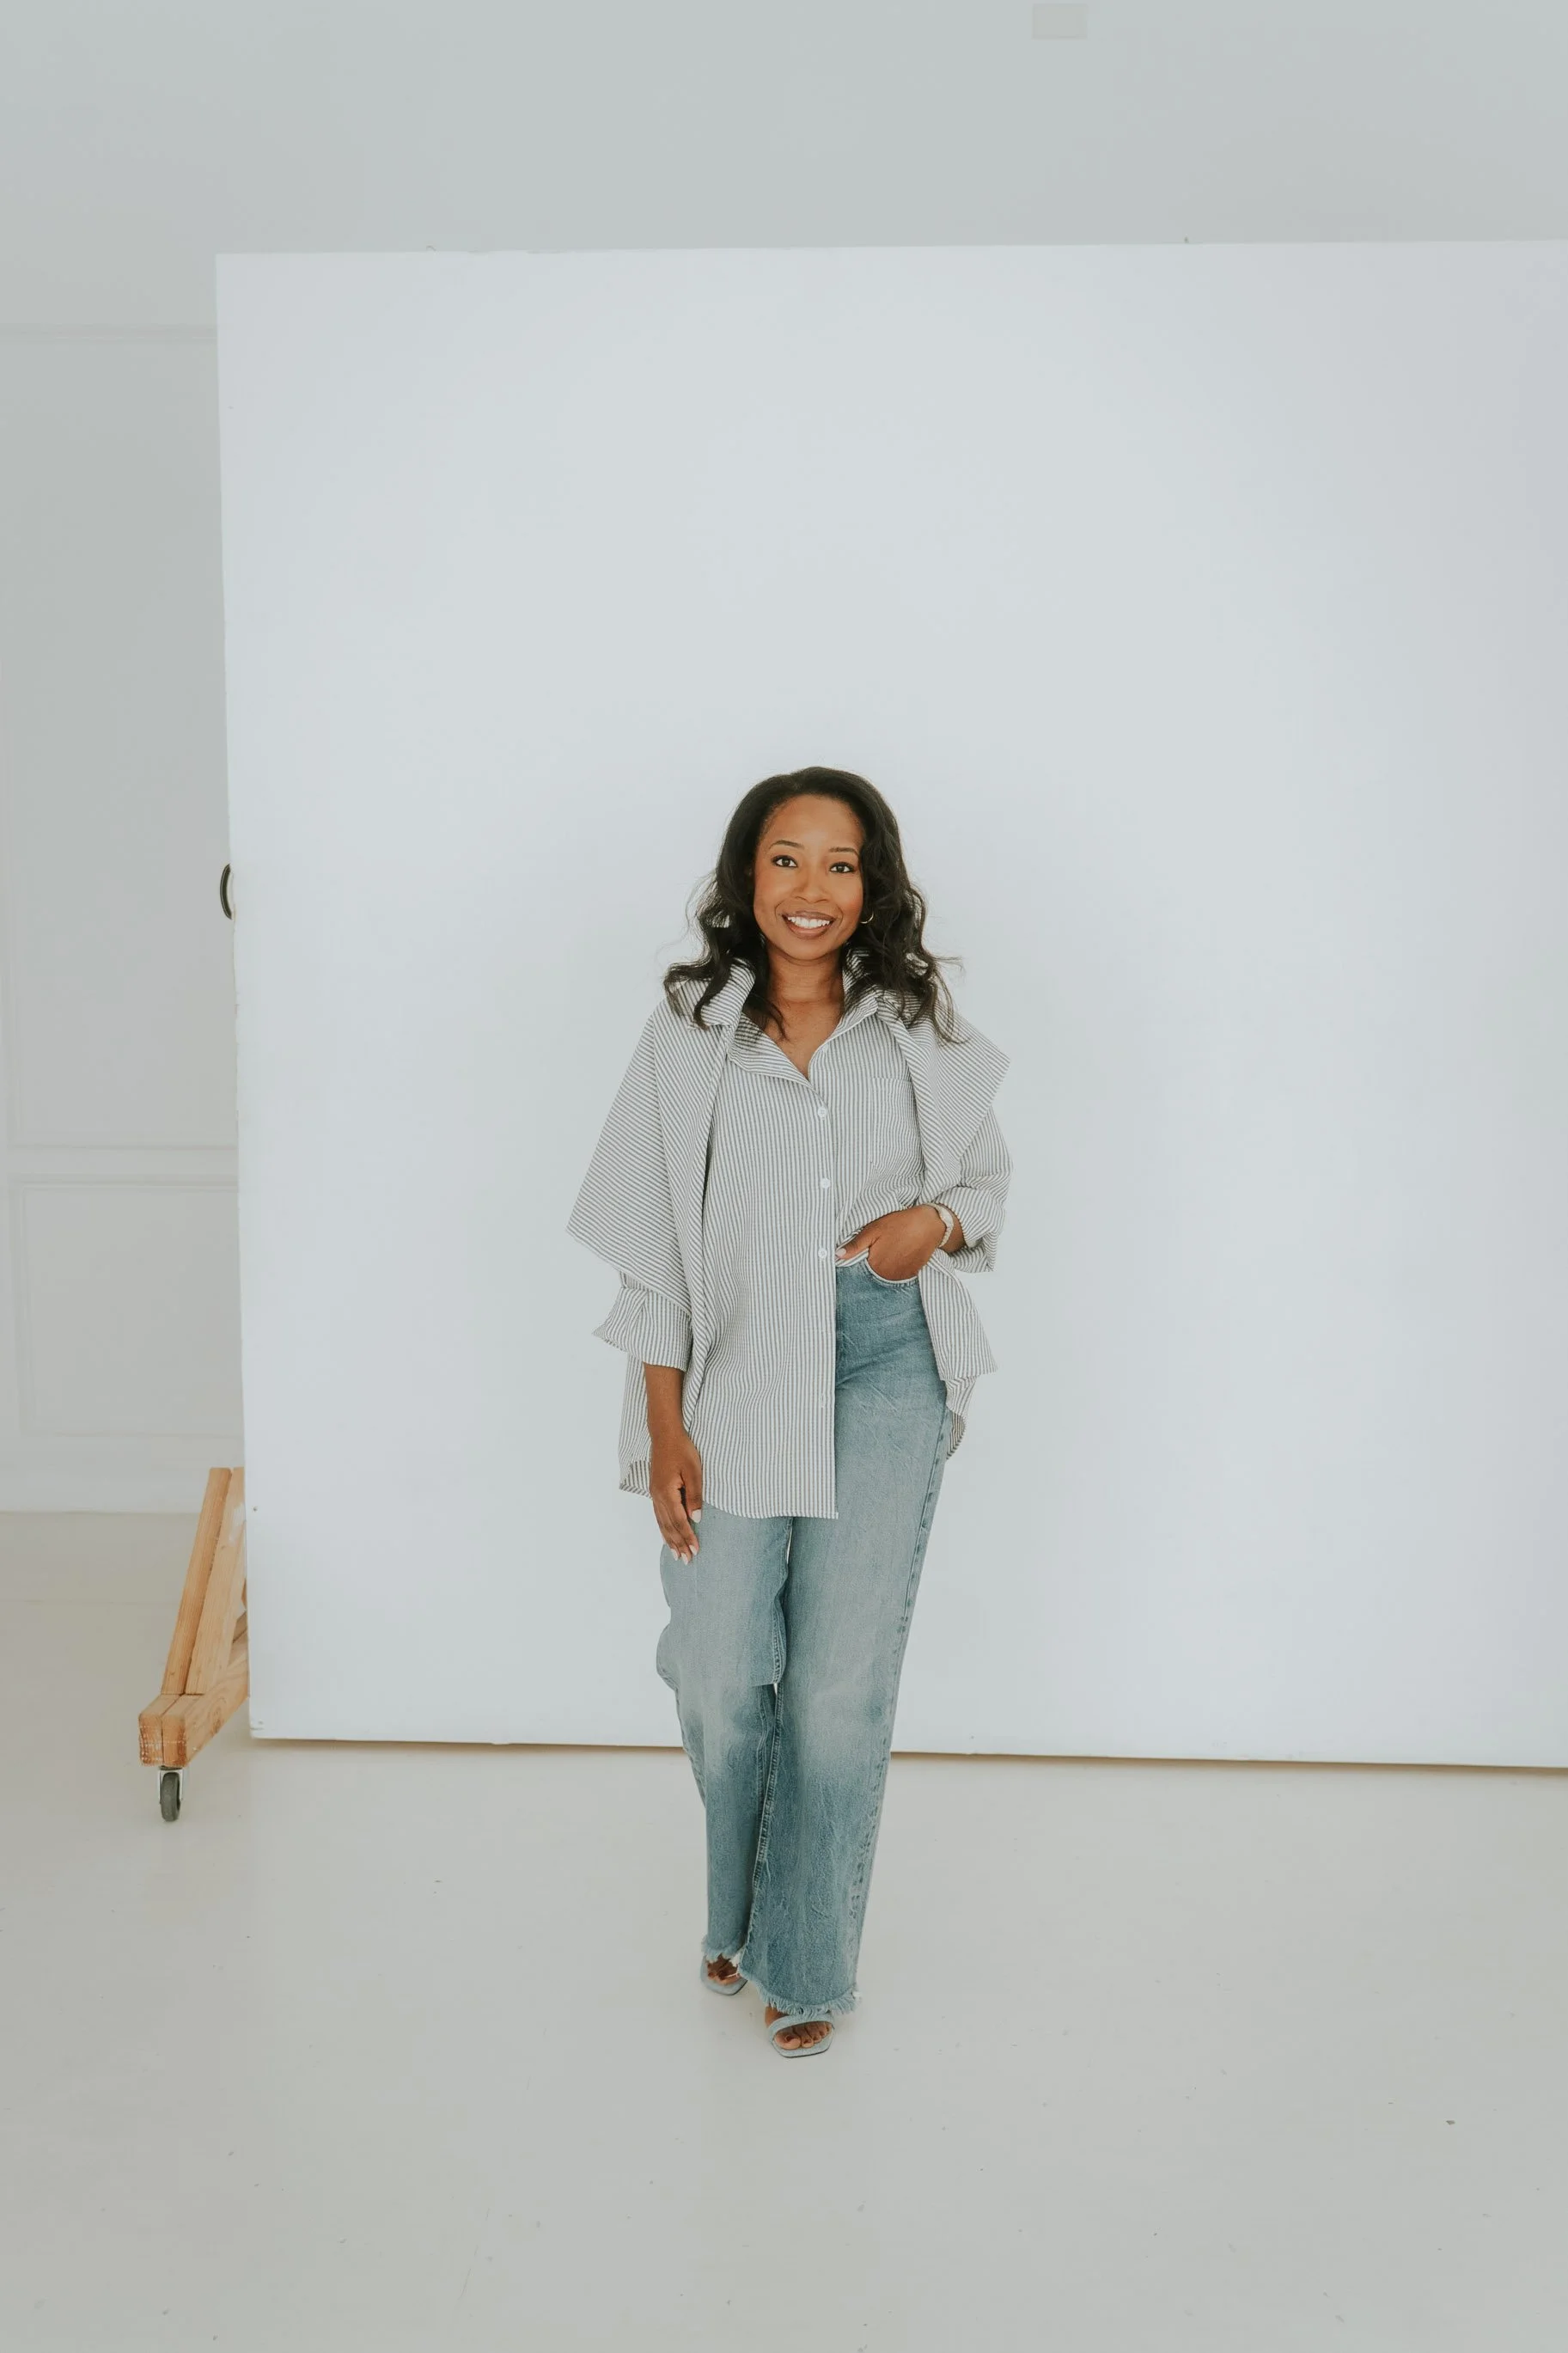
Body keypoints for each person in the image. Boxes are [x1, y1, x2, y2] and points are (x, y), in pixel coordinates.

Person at [569, 766, 1011, 2056]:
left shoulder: (917, 1025)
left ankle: (804, 1960)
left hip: (884, 1358)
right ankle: (734, 1904)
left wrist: (922, 1226)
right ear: (744, 876)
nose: (810, 890)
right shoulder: (688, 1030)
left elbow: (985, 1185)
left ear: (872, 886)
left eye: (839, 864)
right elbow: (649, 1245)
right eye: (784, 859)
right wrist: (663, 1426)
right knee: (718, 1671)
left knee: (835, 1690)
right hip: (734, 1369)